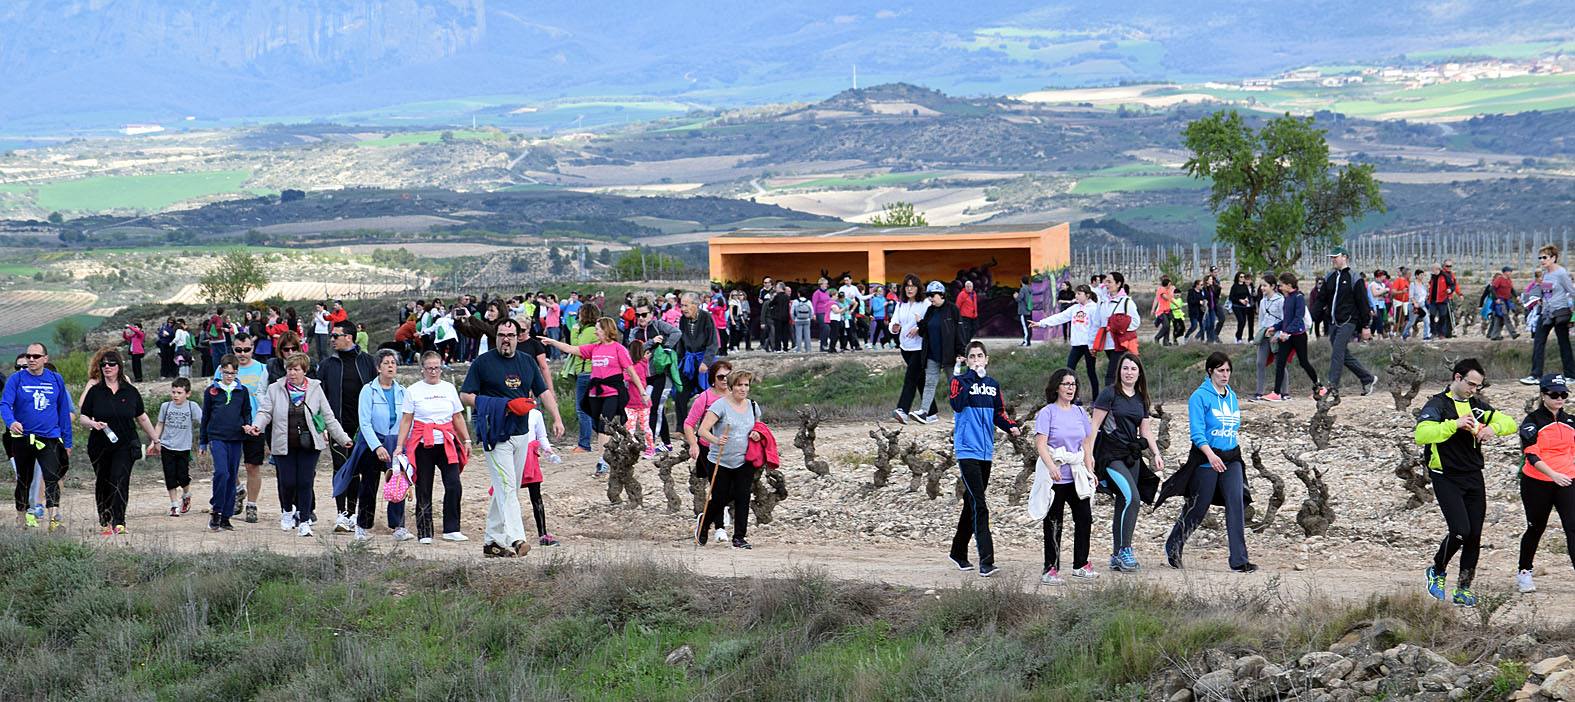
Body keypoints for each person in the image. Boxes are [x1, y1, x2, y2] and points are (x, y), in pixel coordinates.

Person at [1415, 358, 1516, 607]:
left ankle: (1463, 588)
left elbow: (1511, 423)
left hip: (1473, 475)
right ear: (1457, 378)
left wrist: (1494, 430)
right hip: (1445, 475)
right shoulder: (1437, 404)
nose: (1474, 389)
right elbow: (1422, 434)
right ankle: (1437, 570)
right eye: (1471, 384)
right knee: (1460, 531)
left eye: (1478, 386)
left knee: (1474, 536)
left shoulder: (1478, 406)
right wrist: (1454, 424)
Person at [461, 318, 564, 558]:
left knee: (507, 488)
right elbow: (465, 395)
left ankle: (491, 542)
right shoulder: (483, 363)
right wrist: (500, 405)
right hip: (495, 434)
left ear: (518, 337)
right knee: (507, 488)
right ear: (495, 337)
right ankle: (516, 538)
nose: (505, 339)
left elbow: (544, 391)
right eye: (501, 335)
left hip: (522, 434)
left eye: (510, 335)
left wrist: (557, 417)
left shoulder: (527, 362)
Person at [1160, 352, 1255, 573]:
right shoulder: (1199, 397)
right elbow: (1197, 433)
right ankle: (1174, 544)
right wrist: (1211, 456)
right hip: (1206, 458)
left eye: (1228, 370)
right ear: (1210, 371)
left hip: (1231, 458)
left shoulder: (1231, 395)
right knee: (1198, 508)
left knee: (1236, 503)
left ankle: (1239, 560)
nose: (1225, 374)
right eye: (1220, 370)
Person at [246, 353, 354, 538]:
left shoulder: (315, 389)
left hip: (309, 444)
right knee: (287, 482)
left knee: (305, 482)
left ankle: (304, 520)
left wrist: (343, 438)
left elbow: (328, 417)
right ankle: (287, 511)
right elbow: (265, 411)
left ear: (304, 371)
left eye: (296, 369)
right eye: (289, 369)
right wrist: (257, 425)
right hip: (283, 443)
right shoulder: (275, 388)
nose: (292, 373)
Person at [945, 342, 1020, 577]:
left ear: (987, 359)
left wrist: (1011, 427)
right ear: (967, 360)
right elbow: (957, 404)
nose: (977, 359)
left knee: (971, 502)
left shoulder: (992, 385)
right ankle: (986, 561)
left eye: (980, 356)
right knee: (980, 503)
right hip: (967, 450)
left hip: (986, 451)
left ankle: (957, 551)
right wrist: (971, 378)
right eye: (972, 356)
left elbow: (999, 413)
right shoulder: (960, 381)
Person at [1085, 353, 1164, 572]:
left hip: (1132, 457)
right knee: (1133, 498)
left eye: (1133, 369)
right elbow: (1094, 426)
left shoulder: (1141, 398)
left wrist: (1156, 453)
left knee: (1122, 503)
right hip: (1111, 455)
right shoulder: (1109, 394)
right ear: (1119, 371)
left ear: (1139, 373)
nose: (1129, 372)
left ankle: (1116, 555)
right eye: (1125, 368)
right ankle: (1125, 551)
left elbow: (1145, 430)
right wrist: (1088, 457)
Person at [542, 318, 644, 477]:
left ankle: (603, 461)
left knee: (604, 423)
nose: (595, 332)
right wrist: (553, 342)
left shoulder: (618, 349)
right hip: (596, 394)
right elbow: (571, 349)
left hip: (613, 392)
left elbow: (631, 371)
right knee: (599, 426)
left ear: (606, 330)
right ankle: (612, 450)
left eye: (598, 329)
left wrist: (642, 391)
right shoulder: (594, 348)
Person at [78, 348, 160, 536]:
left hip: (125, 443)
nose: (107, 367)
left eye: (111, 364)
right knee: (103, 481)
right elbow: (83, 417)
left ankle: (119, 521)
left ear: (119, 367)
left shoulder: (130, 391)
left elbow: (142, 417)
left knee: (119, 479)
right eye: (104, 364)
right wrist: (92, 423)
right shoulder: (95, 391)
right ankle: (105, 520)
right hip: (99, 444)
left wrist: (155, 439)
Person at [395, 351, 470, 545]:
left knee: (454, 484)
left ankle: (452, 528)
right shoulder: (413, 390)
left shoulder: (449, 388)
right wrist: (399, 445)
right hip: (422, 443)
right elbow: (406, 420)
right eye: (429, 368)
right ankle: (425, 531)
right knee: (424, 487)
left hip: (446, 440)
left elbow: (458, 417)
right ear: (422, 370)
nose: (433, 371)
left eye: (437, 367)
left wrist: (467, 440)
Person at [1033, 368, 1096, 585]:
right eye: (1066, 384)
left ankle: (1081, 563)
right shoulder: (1047, 413)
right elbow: (1041, 444)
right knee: (1053, 522)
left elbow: (1086, 444)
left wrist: (1090, 471)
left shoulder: (1079, 413)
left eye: (1073, 384)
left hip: (1076, 473)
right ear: (1056, 387)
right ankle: (1050, 568)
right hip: (1057, 476)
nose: (1070, 388)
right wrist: (1051, 467)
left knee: (1084, 517)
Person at [1515, 373, 1575, 594]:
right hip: (1537, 482)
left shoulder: (1570, 421)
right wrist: (1553, 474)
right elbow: (1531, 455)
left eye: (1564, 394)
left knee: (1572, 527)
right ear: (1543, 395)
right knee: (1536, 527)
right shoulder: (1533, 421)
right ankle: (1524, 571)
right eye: (1554, 394)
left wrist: (1564, 475)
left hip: (1567, 480)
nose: (1560, 398)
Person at [1, 343, 72, 530]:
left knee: (52, 477)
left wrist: (67, 440)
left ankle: (54, 519)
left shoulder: (56, 380)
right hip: (23, 438)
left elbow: (63, 411)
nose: (31, 359)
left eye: (36, 356)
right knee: (24, 479)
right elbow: (5, 405)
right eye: (29, 356)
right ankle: (21, 518)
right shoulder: (16, 380)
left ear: (45, 359)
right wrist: (11, 422)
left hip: (49, 437)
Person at [346, 350, 411, 541]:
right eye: (386, 363)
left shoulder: (403, 391)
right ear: (378, 367)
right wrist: (377, 447)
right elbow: (364, 422)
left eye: (393, 363)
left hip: (396, 443)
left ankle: (398, 526)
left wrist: (401, 444)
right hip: (372, 443)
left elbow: (408, 419)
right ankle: (363, 526)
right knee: (368, 484)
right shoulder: (368, 390)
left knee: (398, 483)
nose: (391, 366)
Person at [696, 370, 765, 549]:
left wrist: (757, 433)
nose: (743, 389)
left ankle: (739, 537)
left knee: (743, 497)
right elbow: (702, 431)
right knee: (719, 498)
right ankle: (704, 525)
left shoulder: (753, 405)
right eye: (739, 385)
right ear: (732, 386)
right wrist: (716, 440)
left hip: (744, 460)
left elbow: (758, 426)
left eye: (746, 385)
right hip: (720, 460)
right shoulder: (720, 406)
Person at [319, 320, 375, 534]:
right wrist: (322, 425)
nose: (331, 339)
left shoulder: (367, 362)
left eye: (336, 335)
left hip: (364, 427)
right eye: (331, 336)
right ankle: (342, 513)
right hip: (337, 426)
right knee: (342, 468)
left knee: (360, 471)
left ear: (349, 337)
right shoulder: (327, 365)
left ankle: (356, 514)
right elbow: (318, 397)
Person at [216, 332, 270, 524]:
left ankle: (252, 505)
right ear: (233, 349)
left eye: (247, 349)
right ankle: (238, 490)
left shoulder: (263, 369)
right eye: (238, 350)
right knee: (228, 467)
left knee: (252, 466)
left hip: (255, 424)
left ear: (252, 348)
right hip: (231, 425)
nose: (243, 353)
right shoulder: (222, 370)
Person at [1315, 247, 1376, 397]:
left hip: (1349, 321)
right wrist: (1311, 318)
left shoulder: (1354, 277)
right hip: (1334, 322)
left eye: (1336, 256)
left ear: (1345, 257)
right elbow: (1321, 299)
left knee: (1337, 352)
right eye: (1332, 257)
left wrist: (1366, 325)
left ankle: (1332, 388)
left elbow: (1363, 303)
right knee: (1342, 354)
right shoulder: (1329, 277)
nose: (1333, 259)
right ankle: (1367, 378)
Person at [200, 355, 251, 531]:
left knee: (231, 475)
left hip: (236, 437)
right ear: (221, 370)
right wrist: (202, 442)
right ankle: (216, 509)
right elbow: (205, 417)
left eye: (233, 373)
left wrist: (247, 425)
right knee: (221, 472)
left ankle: (226, 516)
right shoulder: (211, 391)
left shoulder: (241, 390)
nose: (229, 376)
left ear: (237, 373)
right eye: (226, 372)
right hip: (217, 437)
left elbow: (247, 412)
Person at [1036, 284, 1100, 403]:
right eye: (1076, 293)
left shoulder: (1094, 308)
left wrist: (1093, 345)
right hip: (1076, 344)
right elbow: (1059, 317)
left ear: (1087, 295)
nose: (1076, 296)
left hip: (1089, 345)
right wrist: (1041, 323)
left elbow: (1096, 328)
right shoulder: (1074, 308)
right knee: (1069, 370)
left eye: (1079, 294)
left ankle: (1096, 399)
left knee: (1091, 371)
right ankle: (1075, 398)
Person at [910, 281, 961, 425]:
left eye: (933, 295)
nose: (930, 298)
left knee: (954, 385)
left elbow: (959, 331)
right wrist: (920, 323)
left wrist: (961, 351)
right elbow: (924, 332)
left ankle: (959, 413)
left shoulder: (952, 309)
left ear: (942, 294)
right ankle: (924, 412)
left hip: (950, 355)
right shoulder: (930, 310)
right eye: (929, 295)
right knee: (930, 383)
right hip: (932, 355)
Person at [1522, 245, 1575, 386]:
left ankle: (1570, 375)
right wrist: (1538, 299)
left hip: (1560, 312)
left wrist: (1573, 313)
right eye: (1540, 258)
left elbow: (1572, 291)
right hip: (1546, 313)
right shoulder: (1546, 274)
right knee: (1538, 342)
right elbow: (1547, 293)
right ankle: (1535, 375)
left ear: (1553, 258)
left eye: (1544, 257)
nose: (1542, 260)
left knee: (1563, 343)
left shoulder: (1561, 273)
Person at [151, 377, 201, 518]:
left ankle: (186, 495)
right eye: (173, 392)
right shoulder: (165, 407)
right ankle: (174, 505)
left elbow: (204, 421)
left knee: (183, 476)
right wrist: (155, 441)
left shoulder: (192, 406)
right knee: (170, 476)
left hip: (183, 447)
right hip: (167, 446)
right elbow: (160, 424)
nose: (175, 396)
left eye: (179, 392)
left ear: (187, 393)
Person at [672, 293, 720, 435]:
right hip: (688, 362)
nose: (683, 309)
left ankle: (707, 429)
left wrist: (706, 362)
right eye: (682, 305)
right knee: (680, 392)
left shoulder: (706, 317)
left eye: (686, 305)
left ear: (695, 305)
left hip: (704, 361)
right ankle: (681, 428)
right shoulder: (683, 320)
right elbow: (680, 343)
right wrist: (676, 362)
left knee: (706, 396)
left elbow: (713, 343)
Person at [1269, 272, 1319, 402]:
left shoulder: (1298, 297)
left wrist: (1287, 332)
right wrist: (1276, 327)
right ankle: (1276, 393)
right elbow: (1286, 319)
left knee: (1304, 362)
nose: (1279, 287)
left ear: (1289, 285)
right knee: (1280, 362)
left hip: (1298, 336)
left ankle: (1319, 387)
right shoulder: (1287, 298)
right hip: (1287, 336)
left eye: (1281, 285)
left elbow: (1298, 318)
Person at [564, 304, 602, 453]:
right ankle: (605, 439)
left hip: (586, 372)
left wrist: (573, 331)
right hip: (592, 372)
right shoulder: (594, 331)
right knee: (593, 409)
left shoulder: (589, 331)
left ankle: (584, 444)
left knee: (582, 409)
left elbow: (577, 347)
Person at [1094, 273, 1141, 388]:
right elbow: (1097, 322)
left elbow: (1135, 322)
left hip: (1121, 344)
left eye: (1109, 282)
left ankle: (1108, 402)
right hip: (1107, 344)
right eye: (1106, 282)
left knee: (1111, 375)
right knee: (1119, 373)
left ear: (1118, 284)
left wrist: (1119, 328)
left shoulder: (1127, 302)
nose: (1106, 284)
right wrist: (1093, 343)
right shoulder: (1102, 302)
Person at [1252, 275, 1284, 402]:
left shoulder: (1280, 300)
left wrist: (1278, 334)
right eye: (1261, 285)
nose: (1262, 288)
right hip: (1265, 334)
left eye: (1265, 285)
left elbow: (1283, 319)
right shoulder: (1262, 301)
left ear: (1273, 286)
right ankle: (1259, 391)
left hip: (1276, 335)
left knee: (1279, 364)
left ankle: (1284, 391)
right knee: (1260, 362)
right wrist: (1261, 333)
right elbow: (1261, 319)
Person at [1151, 276, 1175, 347]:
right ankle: (1157, 337)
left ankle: (1166, 341)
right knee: (1166, 325)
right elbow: (1157, 299)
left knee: (1168, 326)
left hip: (1168, 310)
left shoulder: (1169, 288)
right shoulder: (1161, 289)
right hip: (1161, 310)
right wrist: (1153, 309)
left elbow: (1175, 297)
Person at [1230, 273, 1253, 344]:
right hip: (1236, 306)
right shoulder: (1234, 286)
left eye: (1244, 277)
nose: (1243, 278)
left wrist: (1246, 299)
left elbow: (1248, 295)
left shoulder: (1244, 286)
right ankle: (1238, 337)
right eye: (1241, 277)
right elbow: (1231, 297)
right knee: (1241, 321)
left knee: (1243, 322)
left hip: (1244, 306)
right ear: (1238, 278)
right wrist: (1240, 300)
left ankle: (1239, 336)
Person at [956, 279, 979, 349]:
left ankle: (967, 343)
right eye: (967, 286)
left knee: (975, 328)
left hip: (973, 316)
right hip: (965, 317)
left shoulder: (974, 294)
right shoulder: (962, 294)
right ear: (965, 287)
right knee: (966, 332)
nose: (969, 288)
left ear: (972, 287)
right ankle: (965, 345)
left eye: (970, 286)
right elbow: (957, 305)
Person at [790, 286, 813, 353]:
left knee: (798, 335)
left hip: (798, 320)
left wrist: (794, 319)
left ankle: (799, 349)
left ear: (798, 294)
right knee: (807, 335)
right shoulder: (808, 302)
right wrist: (809, 318)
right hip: (807, 320)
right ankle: (808, 349)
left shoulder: (795, 301)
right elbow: (812, 311)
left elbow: (792, 312)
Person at [1015, 276, 1035, 347]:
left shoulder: (1023, 289)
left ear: (1021, 281)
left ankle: (1026, 342)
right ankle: (1027, 340)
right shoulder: (1030, 288)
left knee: (1025, 327)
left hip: (1024, 311)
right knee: (1029, 326)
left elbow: (1019, 299)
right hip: (1029, 310)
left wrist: (1016, 296)